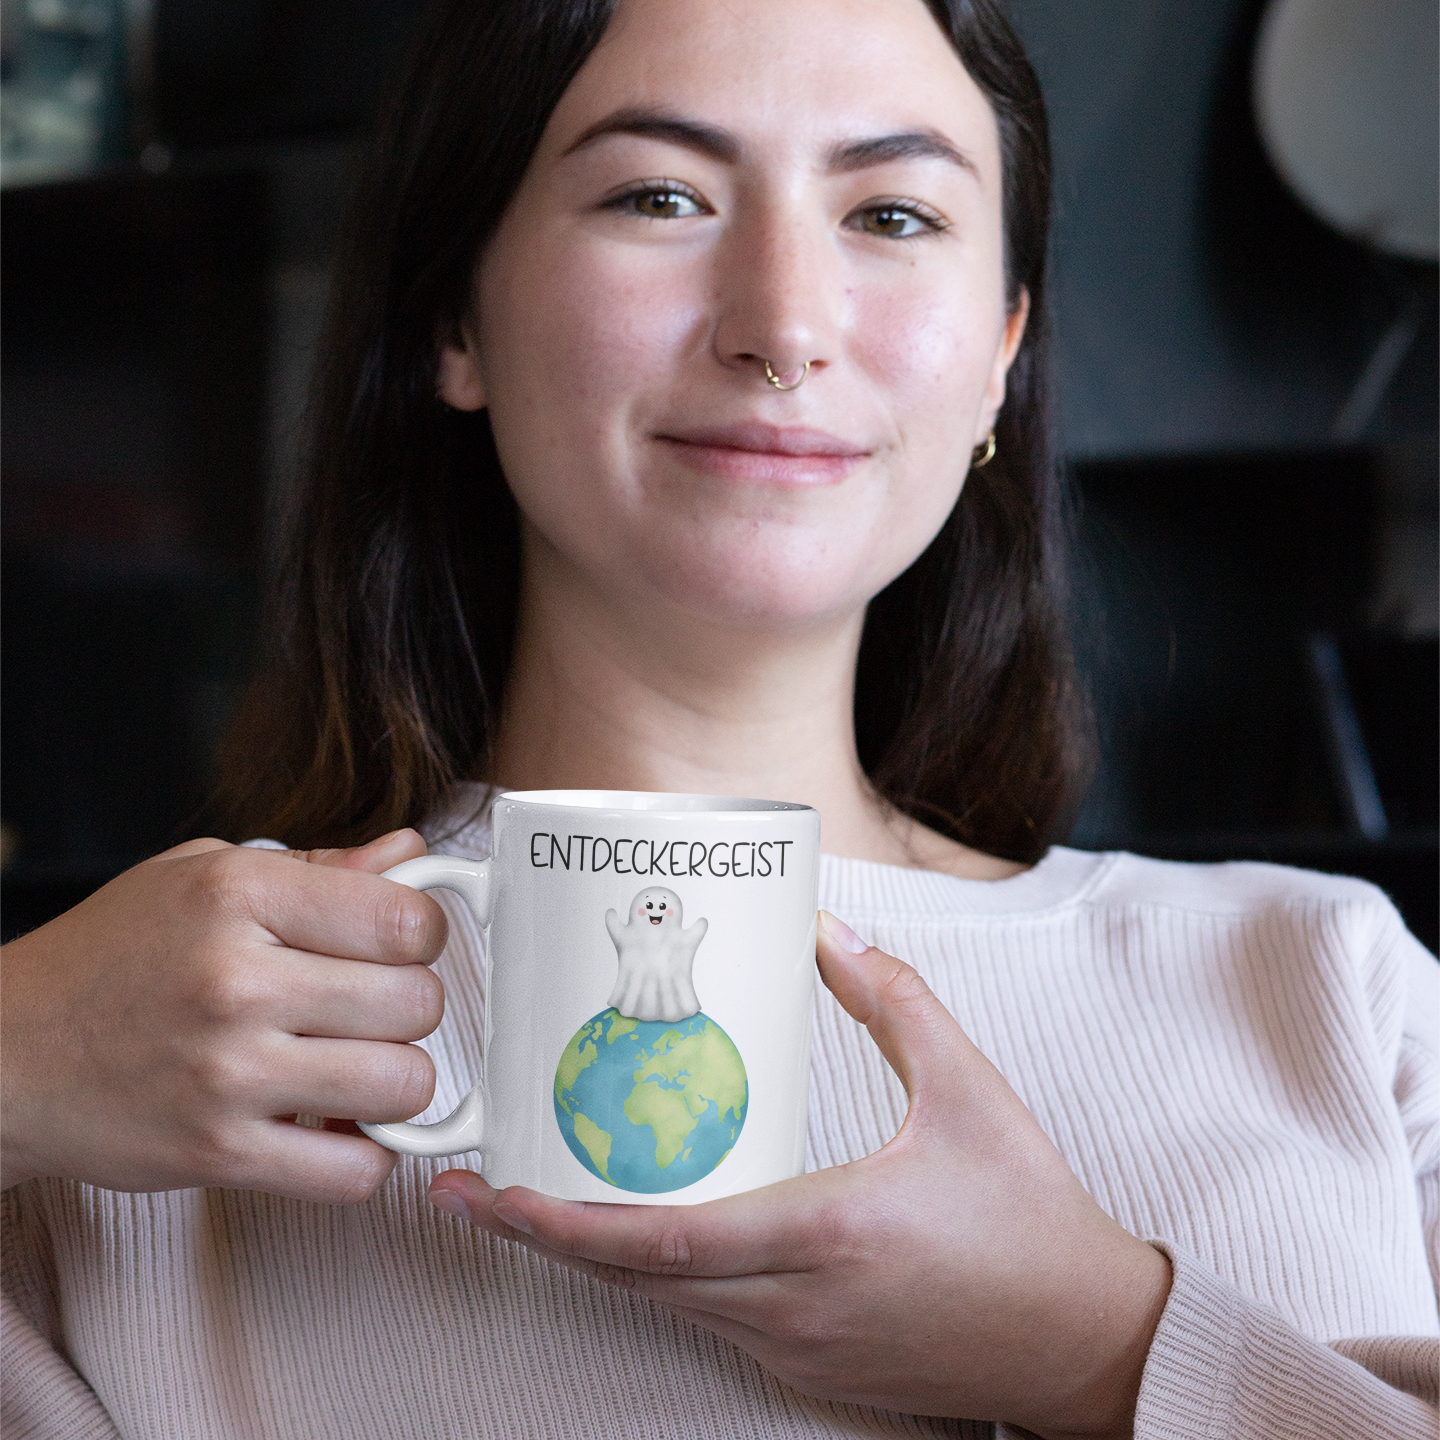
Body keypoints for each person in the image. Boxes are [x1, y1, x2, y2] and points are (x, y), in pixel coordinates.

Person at [3, 0, 1439, 1435]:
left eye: (891, 215)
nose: (784, 329)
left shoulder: (1330, 987)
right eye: (660, 196)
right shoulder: (152, 1062)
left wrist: (1101, 1347)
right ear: (455, 319)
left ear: (1002, 349)